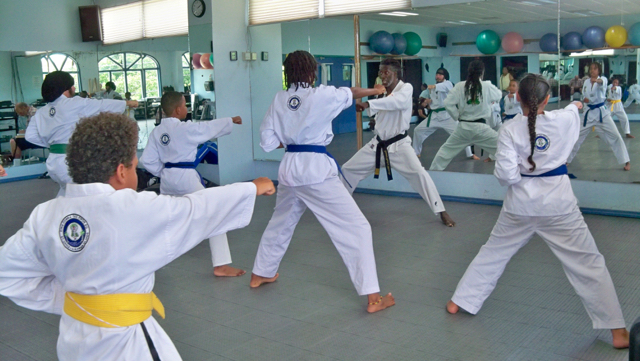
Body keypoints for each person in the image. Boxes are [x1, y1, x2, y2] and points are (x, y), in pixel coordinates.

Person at [0, 112, 276, 360]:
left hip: (74, 337)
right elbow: (195, 210)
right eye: (133, 166)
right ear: (121, 171)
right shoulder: (132, 208)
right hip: (126, 342)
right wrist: (250, 188)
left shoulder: (45, 214)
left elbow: (8, 274)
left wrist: (77, 299)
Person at [446, 74, 629, 349]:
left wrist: (526, 180)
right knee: (589, 264)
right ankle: (616, 330)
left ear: (517, 98)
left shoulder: (509, 129)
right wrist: (575, 106)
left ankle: (459, 301)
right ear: (546, 100)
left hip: (519, 206)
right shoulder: (564, 120)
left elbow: (506, 176)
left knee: (493, 252)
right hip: (559, 206)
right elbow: (569, 111)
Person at [250, 50, 396, 313]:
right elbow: (350, 92)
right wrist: (375, 91)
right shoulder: (321, 95)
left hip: (289, 167)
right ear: (311, 72)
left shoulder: (279, 98)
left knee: (281, 222)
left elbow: (268, 142)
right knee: (357, 227)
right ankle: (373, 298)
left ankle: (261, 273)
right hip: (314, 170)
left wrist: (295, 139)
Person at [139, 91, 245, 277]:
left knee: (164, 219)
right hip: (186, 179)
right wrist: (230, 120)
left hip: (167, 181)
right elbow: (206, 128)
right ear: (178, 109)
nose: (187, 109)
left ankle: (148, 262)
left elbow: (146, 160)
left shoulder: (157, 132)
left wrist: (163, 172)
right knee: (214, 214)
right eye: (185, 105)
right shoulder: (184, 128)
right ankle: (220, 265)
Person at [340, 59, 455, 227]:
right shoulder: (383, 92)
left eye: (386, 72)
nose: (382, 76)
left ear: (396, 74)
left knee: (420, 175)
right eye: (380, 72)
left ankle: (441, 210)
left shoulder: (406, 88)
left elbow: (397, 103)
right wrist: (375, 121)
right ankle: (342, 209)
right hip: (377, 145)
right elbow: (383, 112)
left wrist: (367, 103)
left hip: (399, 146)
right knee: (347, 169)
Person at [25, 71, 138, 197]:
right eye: (72, 86)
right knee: (87, 195)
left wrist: (52, 143)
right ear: (64, 89)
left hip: (53, 161)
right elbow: (101, 105)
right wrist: (127, 103)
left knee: (66, 192)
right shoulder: (74, 103)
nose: (74, 88)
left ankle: (61, 213)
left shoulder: (41, 112)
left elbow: (30, 136)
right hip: (71, 160)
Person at [429, 60, 503, 171]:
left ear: (468, 71)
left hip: (463, 127)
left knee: (445, 152)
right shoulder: (486, 85)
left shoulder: (459, 86)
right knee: (504, 149)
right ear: (482, 72)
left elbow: (447, 103)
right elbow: (498, 95)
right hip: (481, 128)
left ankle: (433, 174)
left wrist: (456, 116)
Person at [567, 62, 630, 171]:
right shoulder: (586, 81)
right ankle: (566, 160)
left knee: (616, 135)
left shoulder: (603, 79)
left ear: (599, 71)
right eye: (591, 69)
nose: (592, 71)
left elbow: (602, 83)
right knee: (577, 137)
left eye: (595, 69)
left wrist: (597, 81)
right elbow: (585, 96)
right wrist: (585, 100)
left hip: (602, 114)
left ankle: (626, 160)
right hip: (589, 113)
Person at [412, 68, 475, 160]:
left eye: (440, 75)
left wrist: (433, 87)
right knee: (418, 130)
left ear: (444, 76)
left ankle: (470, 154)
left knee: (461, 133)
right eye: (437, 75)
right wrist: (429, 101)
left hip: (447, 116)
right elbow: (435, 101)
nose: (438, 76)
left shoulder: (448, 84)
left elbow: (442, 87)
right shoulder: (433, 87)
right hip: (434, 117)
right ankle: (416, 152)